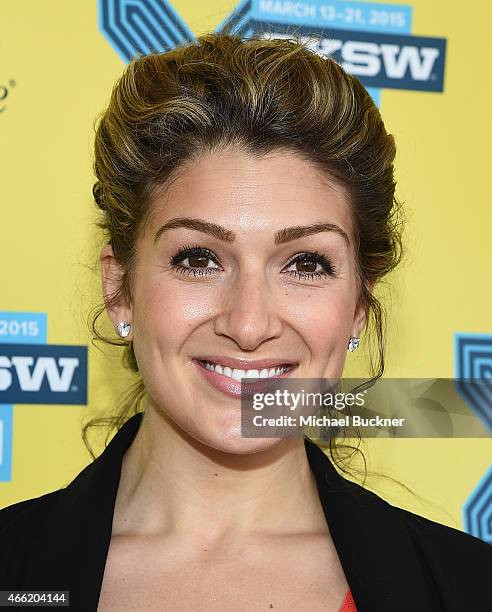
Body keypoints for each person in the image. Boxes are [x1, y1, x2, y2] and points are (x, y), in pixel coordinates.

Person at [1, 32, 491, 612]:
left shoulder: (470, 587)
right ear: (121, 289)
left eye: (306, 264)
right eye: (198, 259)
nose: (250, 323)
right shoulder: (15, 568)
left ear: (359, 305)